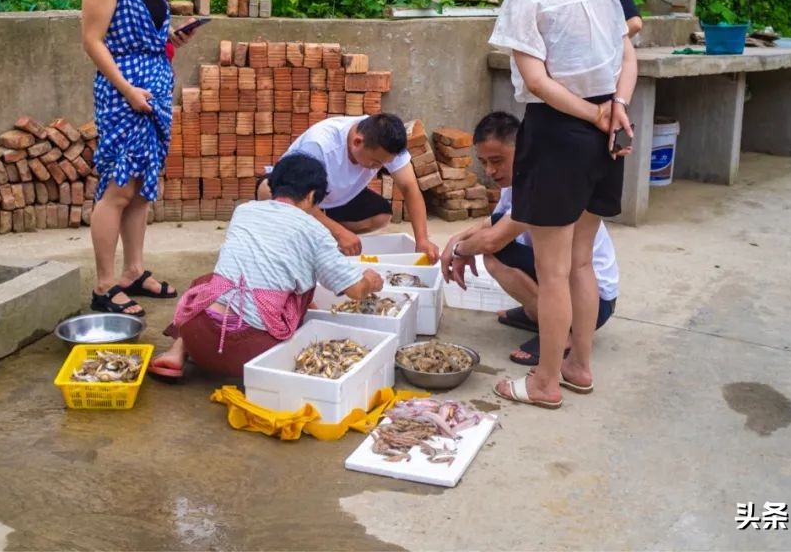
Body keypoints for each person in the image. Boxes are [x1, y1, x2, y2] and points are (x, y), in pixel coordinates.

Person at [475, 0, 637, 409]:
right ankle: (578, 366)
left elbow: (540, 83)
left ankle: (545, 382)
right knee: (581, 261)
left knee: (552, 271)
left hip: (562, 129)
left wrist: (591, 115)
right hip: (612, 126)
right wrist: (615, 112)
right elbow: (629, 58)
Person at [150, 154, 384, 379]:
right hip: (251, 350)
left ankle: (177, 351)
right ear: (313, 196)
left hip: (197, 335)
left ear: (272, 188)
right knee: (301, 293)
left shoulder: (244, 211)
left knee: (207, 283)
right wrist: (370, 281)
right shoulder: (315, 231)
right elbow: (354, 290)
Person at [81, 0, 199, 317]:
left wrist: (173, 43)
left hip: (154, 92)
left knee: (142, 190)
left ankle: (133, 271)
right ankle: (103, 285)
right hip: (123, 94)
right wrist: (128, 89)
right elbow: (93, 40)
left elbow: (151, 41)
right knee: (118, 188)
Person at [439, 112, 619, 366]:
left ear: (523, 148)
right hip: (574, 285)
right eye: (484, 162)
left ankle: (563, 332)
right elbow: (490, 223)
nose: (490, 171)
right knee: (496, 239)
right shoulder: (520, 180)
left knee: (495, 253)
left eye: (497, 161)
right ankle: (536, 312)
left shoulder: (542, 184)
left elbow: (492, 241)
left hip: (593, 303)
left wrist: (460, 251)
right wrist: (454, 243)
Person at [256, 114, 440, 261]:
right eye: (375, 162)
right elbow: (297, 196)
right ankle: (316, 232)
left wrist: (422, 239)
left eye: (383, 164)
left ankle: (320, 232)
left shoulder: (387, 145)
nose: (378, 167)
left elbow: (409, 187)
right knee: (267, 190)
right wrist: (339, 232)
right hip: (297, 191)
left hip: (330, 199)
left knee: (381, 215)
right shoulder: (320, 144)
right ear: (357, 142)